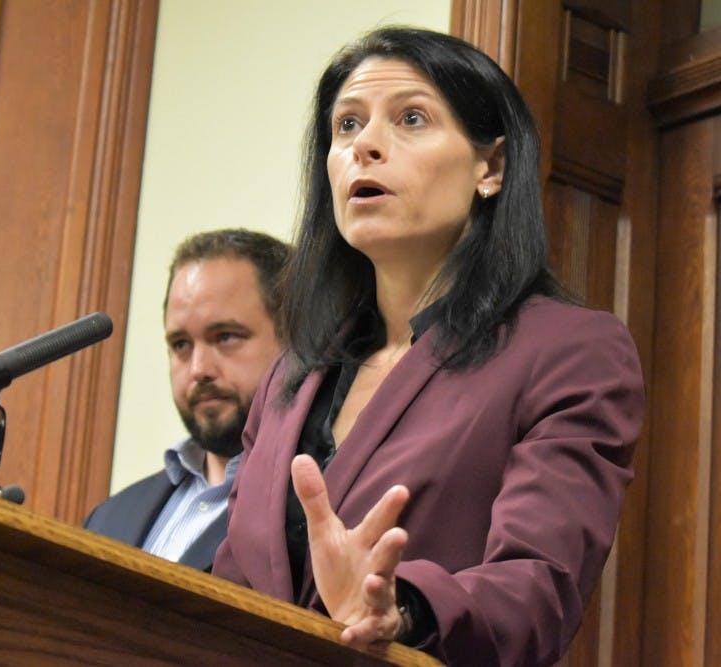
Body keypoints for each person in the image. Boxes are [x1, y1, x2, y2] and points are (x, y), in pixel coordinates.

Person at [211, 27, 644, 667]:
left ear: (490, 168)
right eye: (346, 126)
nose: (365, 147)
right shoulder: (288, 379)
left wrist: (404, 607)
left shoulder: (569, 351)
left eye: (410, 118)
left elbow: (537, 591)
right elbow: (227, 592)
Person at [84, 228, 290, 571]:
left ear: (295, 340)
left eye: (225, 337)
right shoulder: (106, 520)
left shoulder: (318, 507)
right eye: (181, 344)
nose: (198, 370)